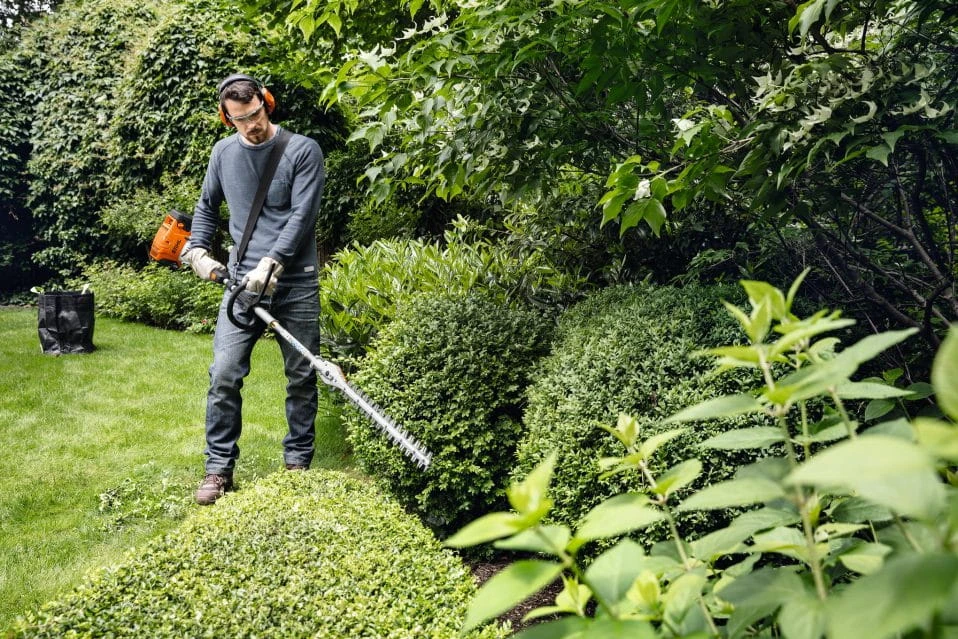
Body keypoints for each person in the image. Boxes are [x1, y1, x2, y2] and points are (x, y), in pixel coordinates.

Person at [181, 73, 325, 505]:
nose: (252, 125)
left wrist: (273, 261)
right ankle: (218, 469)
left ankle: (297, 465)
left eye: (256, 114)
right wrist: (197, 250)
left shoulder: (302, 150)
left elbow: (302, 215)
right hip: (242, 285)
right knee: (224, 374)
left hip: (295, 282)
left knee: (301, 376)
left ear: (267, 104)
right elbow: (207, 207)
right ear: (227, 119)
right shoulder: (223, 153)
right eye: (241, 119)